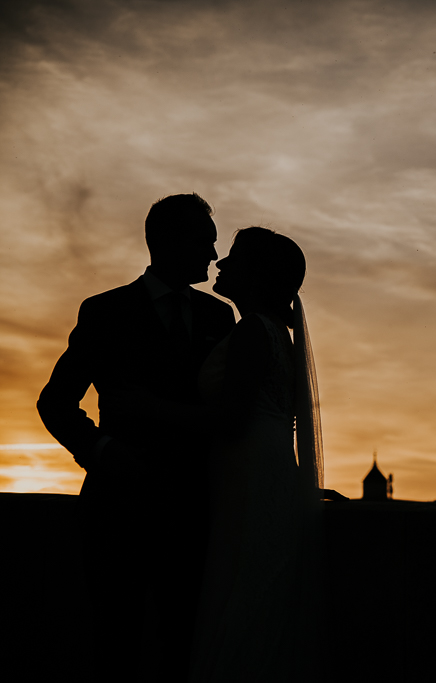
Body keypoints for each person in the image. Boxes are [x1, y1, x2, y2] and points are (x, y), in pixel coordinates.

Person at [37, 193, 237, 682]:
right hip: (117, 512)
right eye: (203, 241)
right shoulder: (105, 311)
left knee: (184, 647)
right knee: (115, 644)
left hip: (193, 513)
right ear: (165, 240)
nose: (213, 255)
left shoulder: (218, 318)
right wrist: (104, 452)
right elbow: (56, 403)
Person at [143, 227, 326, 682]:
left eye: (234, 260)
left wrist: (145, 406)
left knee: (242, 587)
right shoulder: (273, 335)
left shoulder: (251, 333)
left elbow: (230, 419)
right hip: (266, 468)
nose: (220, 265)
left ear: (257, 277)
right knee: (255, 587)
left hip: (249, 474)